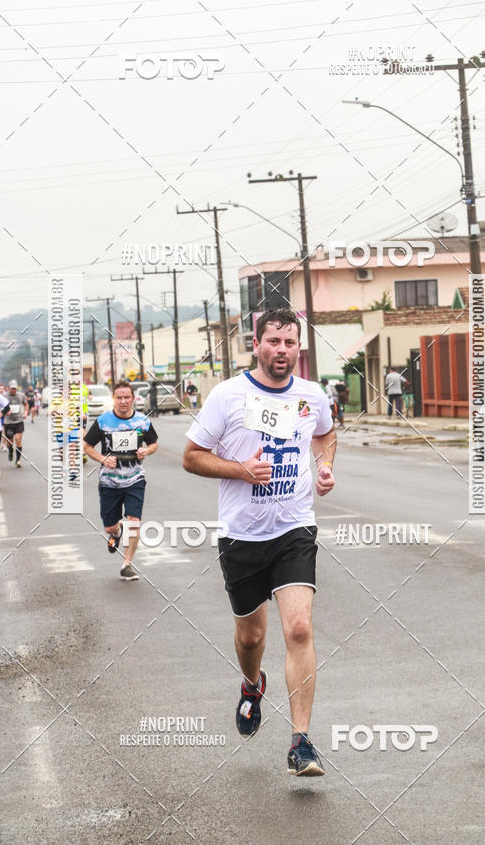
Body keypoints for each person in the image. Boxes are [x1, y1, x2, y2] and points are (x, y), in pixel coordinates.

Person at [183, 308, 336, 777]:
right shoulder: (229, 395)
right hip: (242, 535)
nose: (282, 351)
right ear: (257, 343)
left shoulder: (312, 396)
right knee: (252, 635)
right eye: (274, 341)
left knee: (300, 630)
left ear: (299, 348)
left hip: (294, 528)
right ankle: (252, 685)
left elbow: (325, 436)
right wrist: (240, 470)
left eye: (290, 343)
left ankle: (301, 742)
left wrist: (326, 467)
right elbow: (191, 457)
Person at [83, 379, 158, 581]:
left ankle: (127, 564)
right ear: (113, 399)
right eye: (119, 397)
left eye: (127, 397)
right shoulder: (103, 421)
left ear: (133, 399)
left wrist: (146, 450)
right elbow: (87, 446)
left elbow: (154, 443)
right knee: (109, 526)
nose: (123, 401)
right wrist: (102, 458)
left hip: (135, 478)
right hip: (109, 481)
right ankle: (117, 533)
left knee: (134, 521)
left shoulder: (143, 421)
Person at [2, 380, 27, 468]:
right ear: (9, 388)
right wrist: (4, 411)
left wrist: (25, 412)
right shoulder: (4, 396)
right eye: (12, 388)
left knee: (18, 440)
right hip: (8, 422)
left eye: (15, 388)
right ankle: (10, 450)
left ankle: (18, 460)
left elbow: (26, 404)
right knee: (10, 442)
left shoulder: (21, 395)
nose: (13, 390)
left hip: (18, 421)